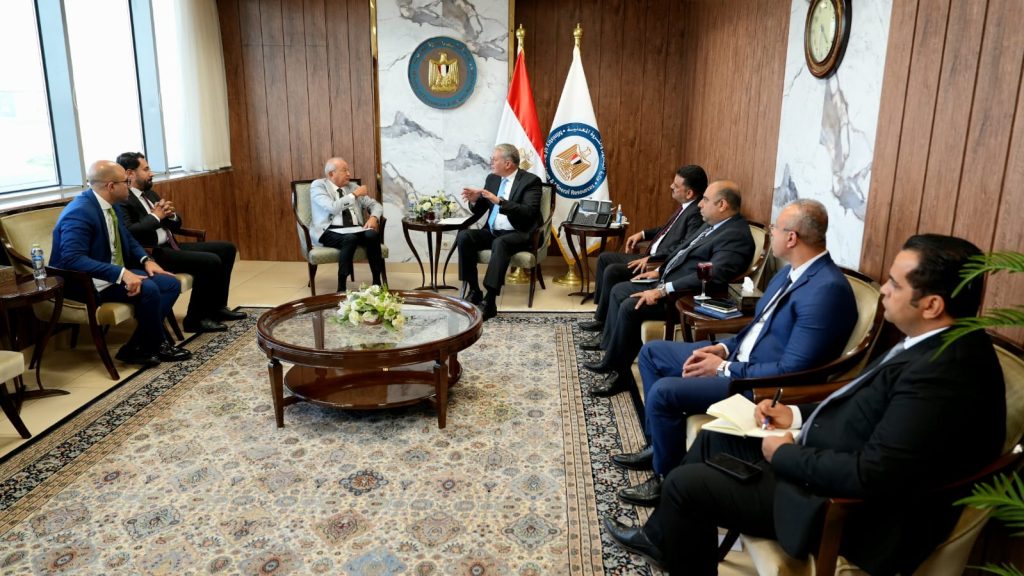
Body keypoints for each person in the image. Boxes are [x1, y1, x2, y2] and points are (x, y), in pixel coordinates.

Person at [603, 234, 1006, 575]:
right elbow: (857, 401)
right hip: (823, 455)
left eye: (895, 285)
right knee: (713, 439)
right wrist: (793, 414)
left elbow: (873, 475)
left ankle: (675, 540)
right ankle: (662, 539)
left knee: (685, 485)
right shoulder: (929, 342)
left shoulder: (946, 374)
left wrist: (785, 454)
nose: (884, 289)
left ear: (932, 305)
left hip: (843, 509)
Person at [612, 198, 858, 507]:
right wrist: (723, 346)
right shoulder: (789, 273)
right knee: (652, 354)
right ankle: (658, 447)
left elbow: (791, 370)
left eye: (775, 228)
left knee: (663, 393)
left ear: (792, 238)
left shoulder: (826, 290)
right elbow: (757, 328)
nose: (771, 232)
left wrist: (722, 368)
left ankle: (667, 480)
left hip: (756, 384)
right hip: (736, 359)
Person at [581, 180, 755, 396]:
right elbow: (682, 250)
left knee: (631, 306)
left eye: (705, 200)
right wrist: (658, 270)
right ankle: (610, 358)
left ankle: (621, 375)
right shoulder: (712, 224)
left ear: (722, 205)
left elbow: (712, 275)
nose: (700, 204)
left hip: (684, 296)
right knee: (618, 290)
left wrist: (663, 290)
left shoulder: (735, 235)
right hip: (667, 280)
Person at [50, 160, 191, 366]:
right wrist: (122, 273)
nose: (130, 185)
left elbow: (127, 237)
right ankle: (156, 344)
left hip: (109, 272)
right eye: (126, 182)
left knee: (170, 283)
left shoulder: (111, 204)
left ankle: (135, 347)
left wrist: (146, 260)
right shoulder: (80, 212)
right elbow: (72, 259)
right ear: (111, 186)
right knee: (149, 289)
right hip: (87, 282)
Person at [116, 152, 245, 334]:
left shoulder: (149, 193)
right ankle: (195, 319)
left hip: (170, 245)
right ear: (130, 173)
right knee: (210, 261)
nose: (151, 173)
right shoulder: (123, 199)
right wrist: (156, 216)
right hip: (152, 253)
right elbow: (130, 232)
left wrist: (171, 215)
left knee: (227, 249)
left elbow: (175, 224)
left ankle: (217, 308)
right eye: (146, 169)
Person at [579, 165, 708, 333]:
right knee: (604, 258)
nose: (671, 186)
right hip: (651, 255)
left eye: (676, 185)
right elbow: (666, 229)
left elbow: (683, 247)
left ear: (689, 193)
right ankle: (602, 315)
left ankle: (604, 323)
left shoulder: (696, 213)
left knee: (613, 271)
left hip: (656, 262)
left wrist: (652, 259)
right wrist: (642, 234)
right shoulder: (686, 207)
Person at [457, 143, 543, 320]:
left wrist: (500, 202)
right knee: (464, 236)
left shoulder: (531, 181)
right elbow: (480, 210)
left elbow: (529, 212)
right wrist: (474, 200)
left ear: (508, 163)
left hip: (519, 232)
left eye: (494, 160)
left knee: (501, 243)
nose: (491, 163)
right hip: (493, 231)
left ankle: (490, 301)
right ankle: (474, 290)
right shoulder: (492, 179)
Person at [309, 157, 385, 292]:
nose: (349, 174)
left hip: (354, 228)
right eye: (344, 170)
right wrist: (354, 195)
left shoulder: (352, 187)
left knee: (372, 235)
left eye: (348, 170)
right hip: (328, 230)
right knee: (350, 239)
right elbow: (332, 207)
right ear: (331, 174)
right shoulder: (318, 186)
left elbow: (375, 205)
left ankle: (377, 282)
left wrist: (374, 217)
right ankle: (342, 286)